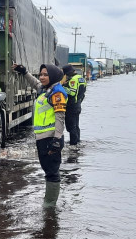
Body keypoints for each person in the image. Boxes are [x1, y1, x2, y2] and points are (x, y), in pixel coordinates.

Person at [13, 62, 68, 207]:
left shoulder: (57, 93)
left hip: (51, 139)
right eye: (41, 74)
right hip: (43, 138)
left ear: (54, 76)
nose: (42, 77)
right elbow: (35, 83)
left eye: (46, 74)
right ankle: (49, 204)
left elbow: (60, 118)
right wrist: (24, 72)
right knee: (48, 170)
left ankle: (49, 207)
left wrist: (57, 139)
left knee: (52, 173)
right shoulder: (46, 90)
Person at [62, 64, 86, 145]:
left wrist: (63, 87)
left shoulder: (73, 80)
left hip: (71, 106)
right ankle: (77, 142)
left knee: (71, 127)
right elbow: (83, 93)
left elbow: (72, 92)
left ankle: (73, 145)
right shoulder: (81, 78)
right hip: (78, 105)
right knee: (76, 125)